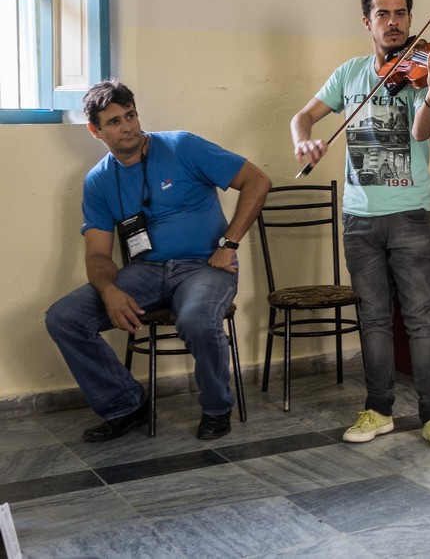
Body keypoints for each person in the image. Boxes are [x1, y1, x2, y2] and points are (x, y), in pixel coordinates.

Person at [290, 0, 430, 452]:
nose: (393, 22)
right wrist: (302, 139)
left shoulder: (423, 73)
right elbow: (301, 117)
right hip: (359, 218)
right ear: (367, 22)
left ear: (410, 18)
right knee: (373, 318)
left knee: (421, 319)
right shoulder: (349, 74)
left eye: (401, 14)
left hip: (409, 214)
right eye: (383, 14)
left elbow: (424, 132)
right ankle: (379, 408)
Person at [47, 80, 271, 442]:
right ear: (95, 131)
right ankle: (125, 405)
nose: (128, 127)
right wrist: (108, 290)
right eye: (114, 122)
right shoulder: (99, 181)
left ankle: (216, 407)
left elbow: (258, 181)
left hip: (205, 267)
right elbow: (98, 254)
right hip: (145, 272)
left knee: (197, 318)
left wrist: (229, 244)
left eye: (130, 116)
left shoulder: (182, 145)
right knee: (64, 318)